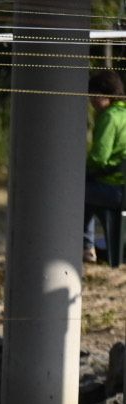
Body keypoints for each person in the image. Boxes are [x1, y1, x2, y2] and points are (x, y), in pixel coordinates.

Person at [83, 69, 126, 263]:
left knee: (76, 194)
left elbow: (99, 158)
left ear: (105, 93)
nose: (91, 101)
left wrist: (80, 170)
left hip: (115, 189)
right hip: (121, 186)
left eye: (93, 95)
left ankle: (86, 247)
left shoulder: (109, 117)